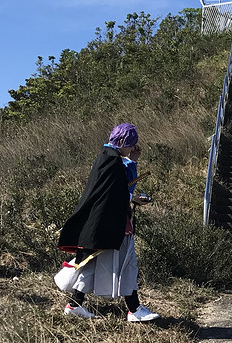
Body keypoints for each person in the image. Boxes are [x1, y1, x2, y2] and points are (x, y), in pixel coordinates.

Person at [56, 123, 159, 323]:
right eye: (129, 145)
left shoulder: (107, 158)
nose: (131, 149)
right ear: (121, 142)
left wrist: (132, 162)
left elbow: (119, 187)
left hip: (101, 224)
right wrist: (132, 198)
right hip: (111, 224)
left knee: (92, 264)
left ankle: (75, 304)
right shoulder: (111, 161)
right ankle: (134, 309)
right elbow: (116, 193)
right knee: (128, 264)